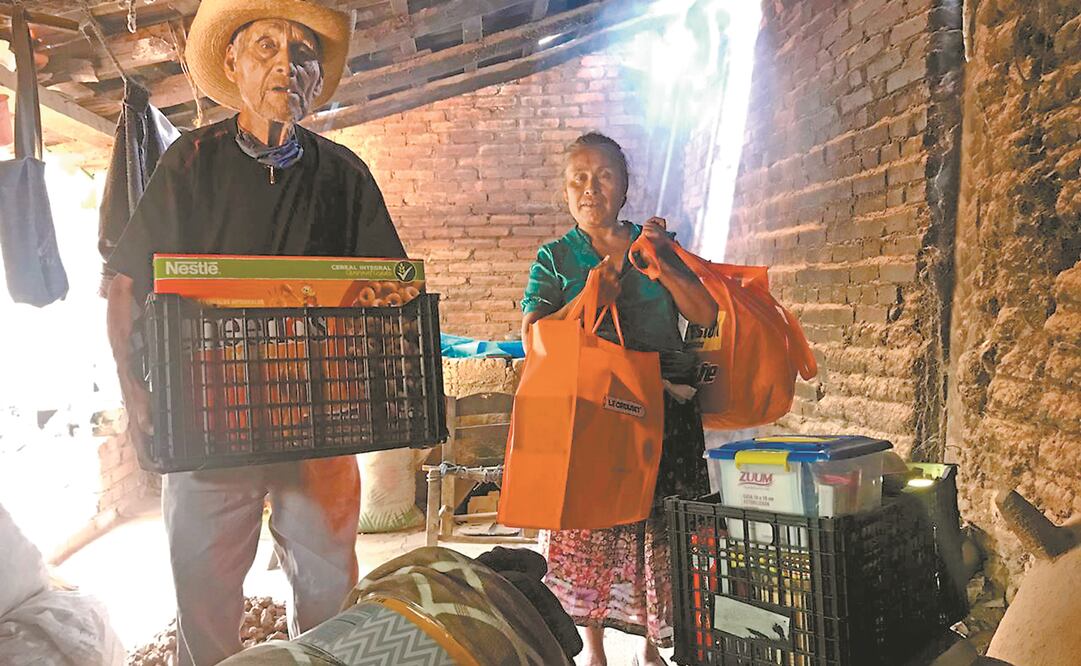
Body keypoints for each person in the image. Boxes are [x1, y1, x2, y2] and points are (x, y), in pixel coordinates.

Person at [104, 1, 405, 664]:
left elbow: (389, 290)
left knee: (329, 601)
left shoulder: (344, 175)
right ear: (233, 65)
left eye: (301, 50)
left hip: (318, 424)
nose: (284, 62)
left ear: (314, 74)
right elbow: (125, 285)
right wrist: (136, 401)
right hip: (209, 426)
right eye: (264, 45)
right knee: (206, 606)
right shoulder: (190, 164)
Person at [520, 132, 718, 666]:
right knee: (592, 529)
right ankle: (596, 650)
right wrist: (588, 299)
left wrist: (663, 266)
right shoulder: (556, 258)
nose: (590, 188)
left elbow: (704, 315)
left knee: (658, 530)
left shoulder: (653, 244)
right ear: (565, 191)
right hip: (591, 416)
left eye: (603, 176)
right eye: (578, 179)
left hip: (665, 410)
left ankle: (655, 649)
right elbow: (533, 337)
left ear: (625, 187)